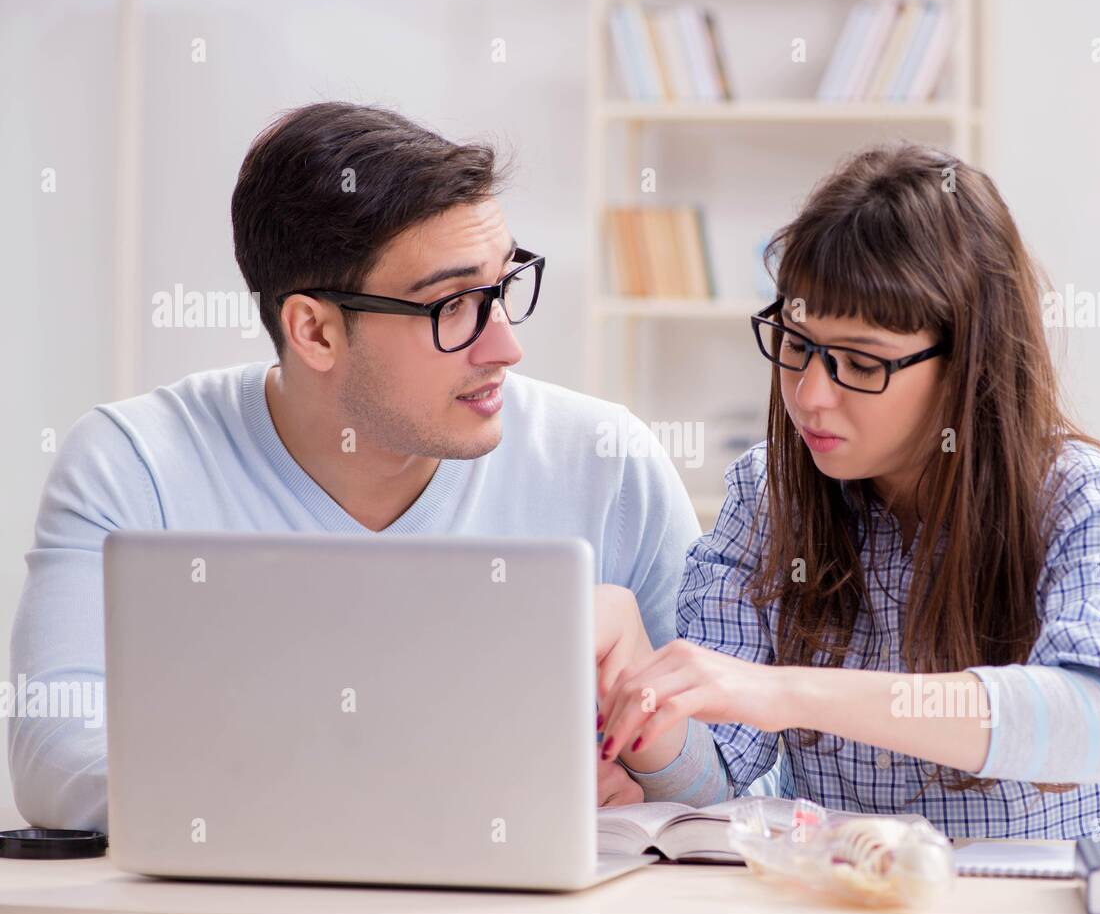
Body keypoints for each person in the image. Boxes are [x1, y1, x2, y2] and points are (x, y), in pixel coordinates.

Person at [9, 102, 701, 831]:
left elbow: (751, 782)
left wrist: (657, 759)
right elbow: (57, 760)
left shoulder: (605, 462)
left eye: (504, 286)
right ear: (314, 330)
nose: (504, 347)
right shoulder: (133, 464)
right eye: (455, 304)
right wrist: (448, 792)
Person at [595, 143, 1100, 840]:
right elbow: (718, 775)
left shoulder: (1082, 499)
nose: (810, 395)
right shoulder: (769, 494)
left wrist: (788, 692)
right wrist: (645, 708)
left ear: (968, 361)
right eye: (797, 344)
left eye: (860, 362)